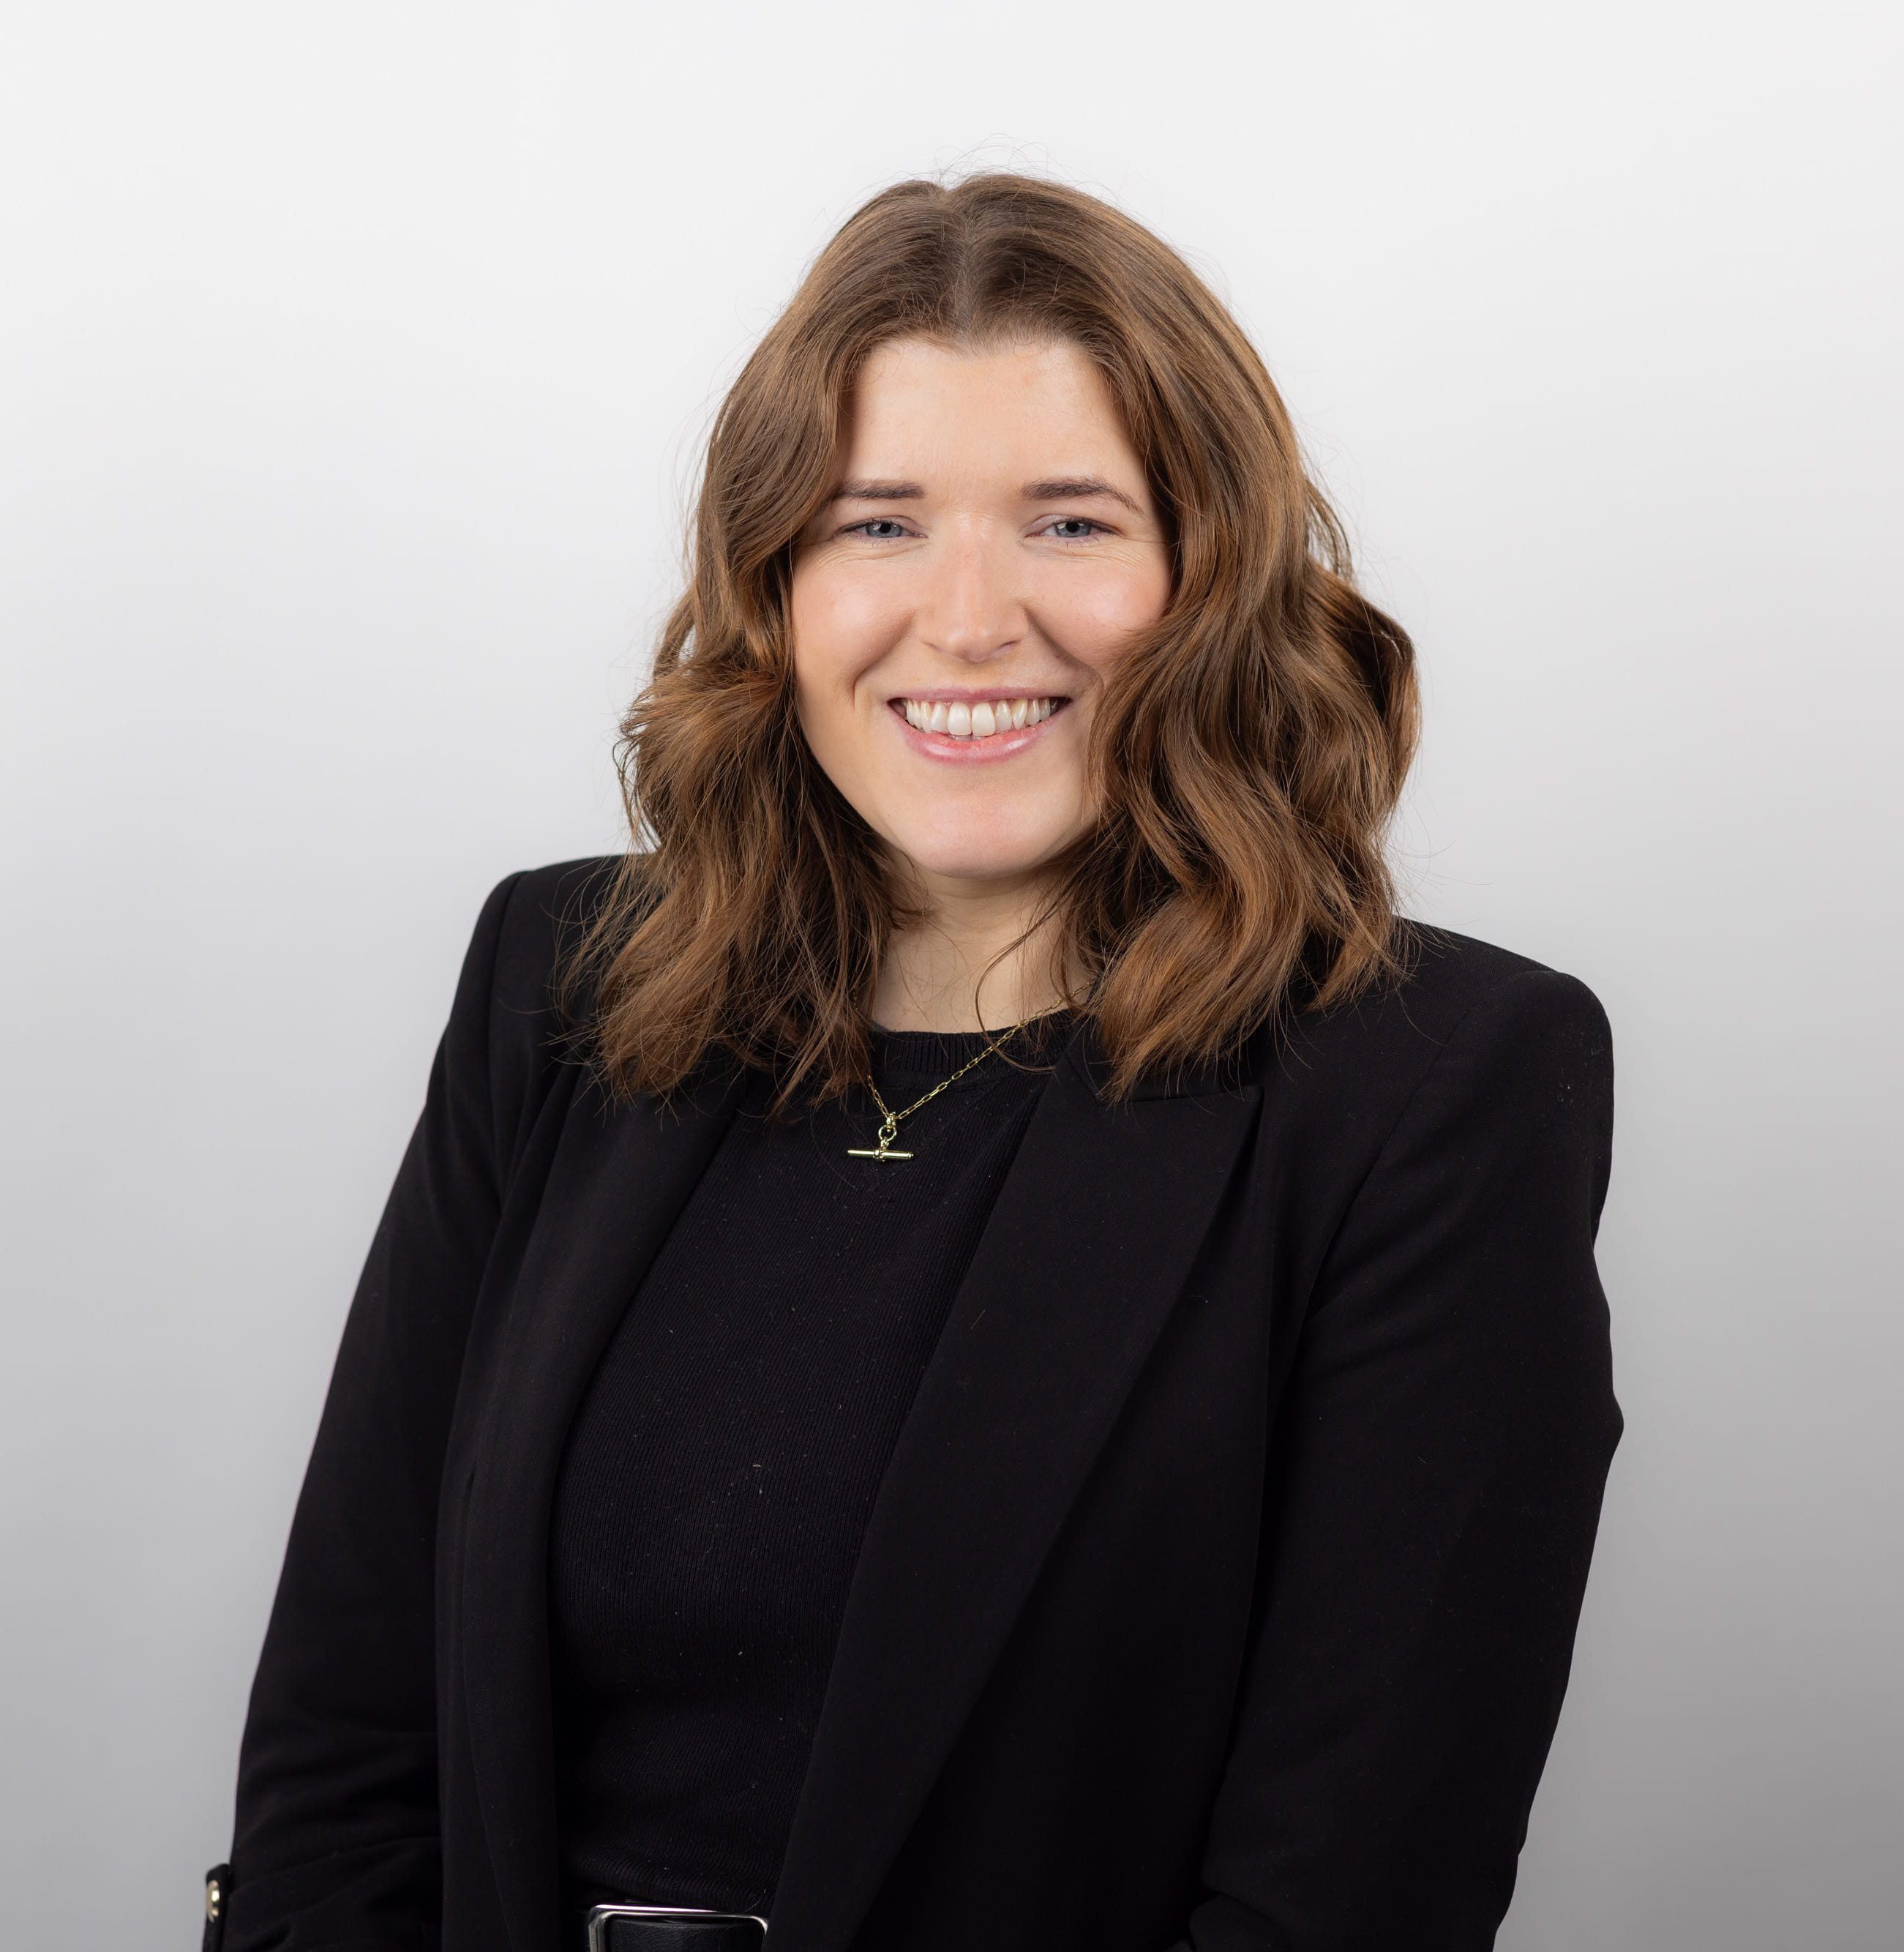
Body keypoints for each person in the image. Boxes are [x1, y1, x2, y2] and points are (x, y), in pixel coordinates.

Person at [206, 172, 1624, 1952]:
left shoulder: (1439, 1089)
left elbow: (1341, 1895)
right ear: (775, 584)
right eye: (878, 523)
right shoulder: (558, 985)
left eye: (1070, 523)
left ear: (1212, 578)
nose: (965, 620)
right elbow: (349, 1732)